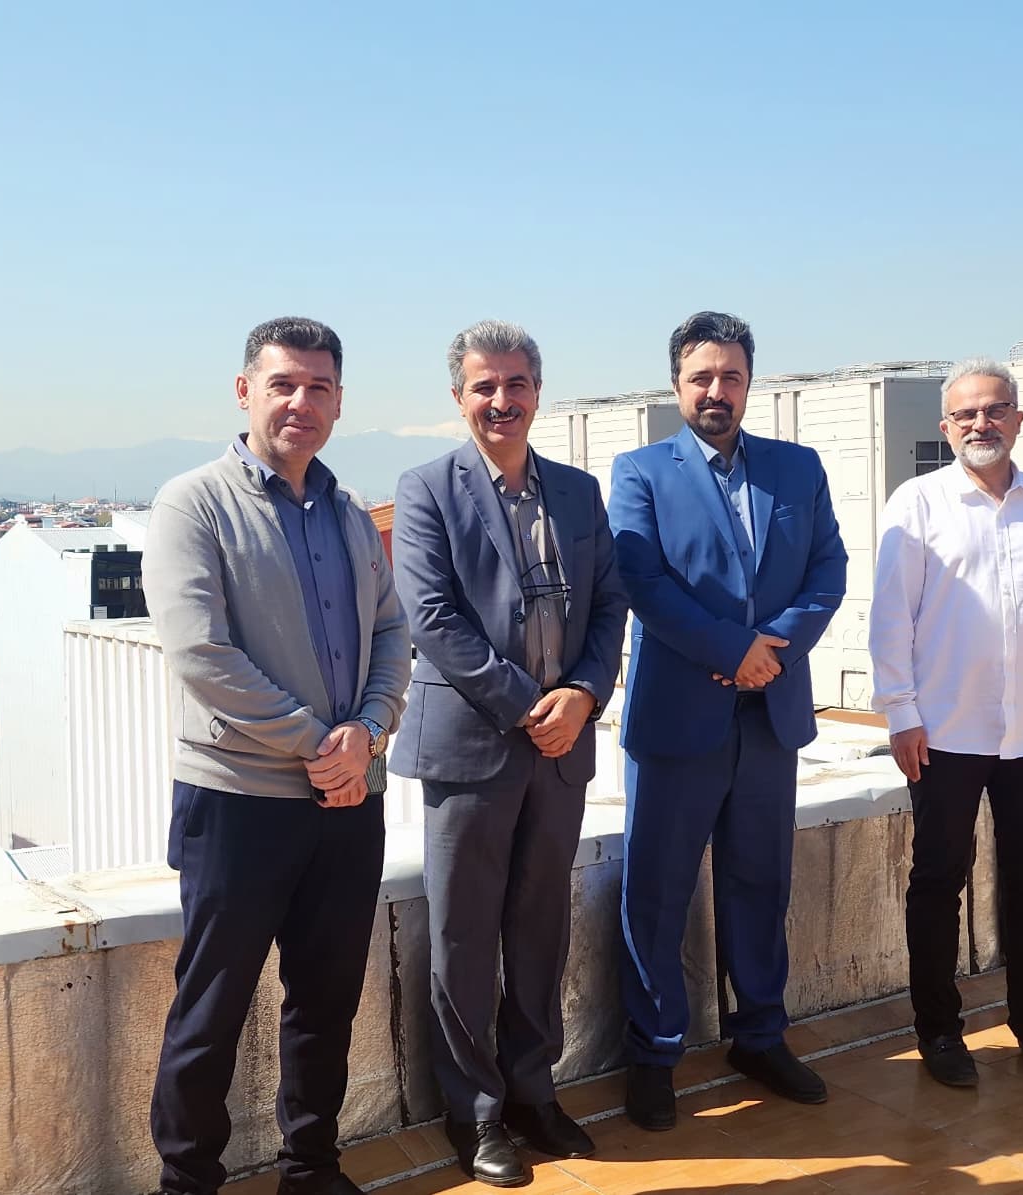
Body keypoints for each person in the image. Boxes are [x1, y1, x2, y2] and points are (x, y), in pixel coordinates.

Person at [144, 317, 412, 1195]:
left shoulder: (348, 511)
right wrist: (319, 743)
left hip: (347, 799)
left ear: (339, 401)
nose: (302, 402)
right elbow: (201, 654)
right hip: (238, 802)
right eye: (283, 384)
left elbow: (392, 631)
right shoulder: (192, 504)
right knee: (212, 1006)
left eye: (319, 387)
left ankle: (312, 1166)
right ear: (244, 391)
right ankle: (188, 1180)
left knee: (326, 999)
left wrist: (368, 732)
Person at [389, 320, 629, 1186]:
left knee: (539, 928)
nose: (502, 400)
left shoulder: (579, 492)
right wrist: (532, 705)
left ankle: (533, 1091)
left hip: (561, 748)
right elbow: (433, 619)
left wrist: (584, 694)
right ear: (459, 397)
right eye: (485, 386)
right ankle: (475, 1111)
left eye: (516, 383)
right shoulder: (426, 489)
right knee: (463, 936)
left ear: (538, 392)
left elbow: (610, 605)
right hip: (472, 748)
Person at [608, 311, 847, 1130]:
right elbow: (642, 580)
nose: (717, 390)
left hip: (769, 715)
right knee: (657, 891)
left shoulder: (796, 467)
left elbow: (828, 567)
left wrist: (770, 650)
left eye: (731, 376)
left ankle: (761, 1036)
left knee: (761, 882)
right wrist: (732, 648)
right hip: (679, 719)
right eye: (701, 376)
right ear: (677, 384)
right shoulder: (641, 471)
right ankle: (654, 1053)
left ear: (750, 383)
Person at [869, 358, 1023, 1089]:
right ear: (945, 427)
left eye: (995, 409)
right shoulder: (917, 504)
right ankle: (940, 1031)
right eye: (967, 414)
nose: (982, 423)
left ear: (1018, 419)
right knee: (938, 879)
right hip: (943, 732)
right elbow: (890, 617)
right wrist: (900, 712)